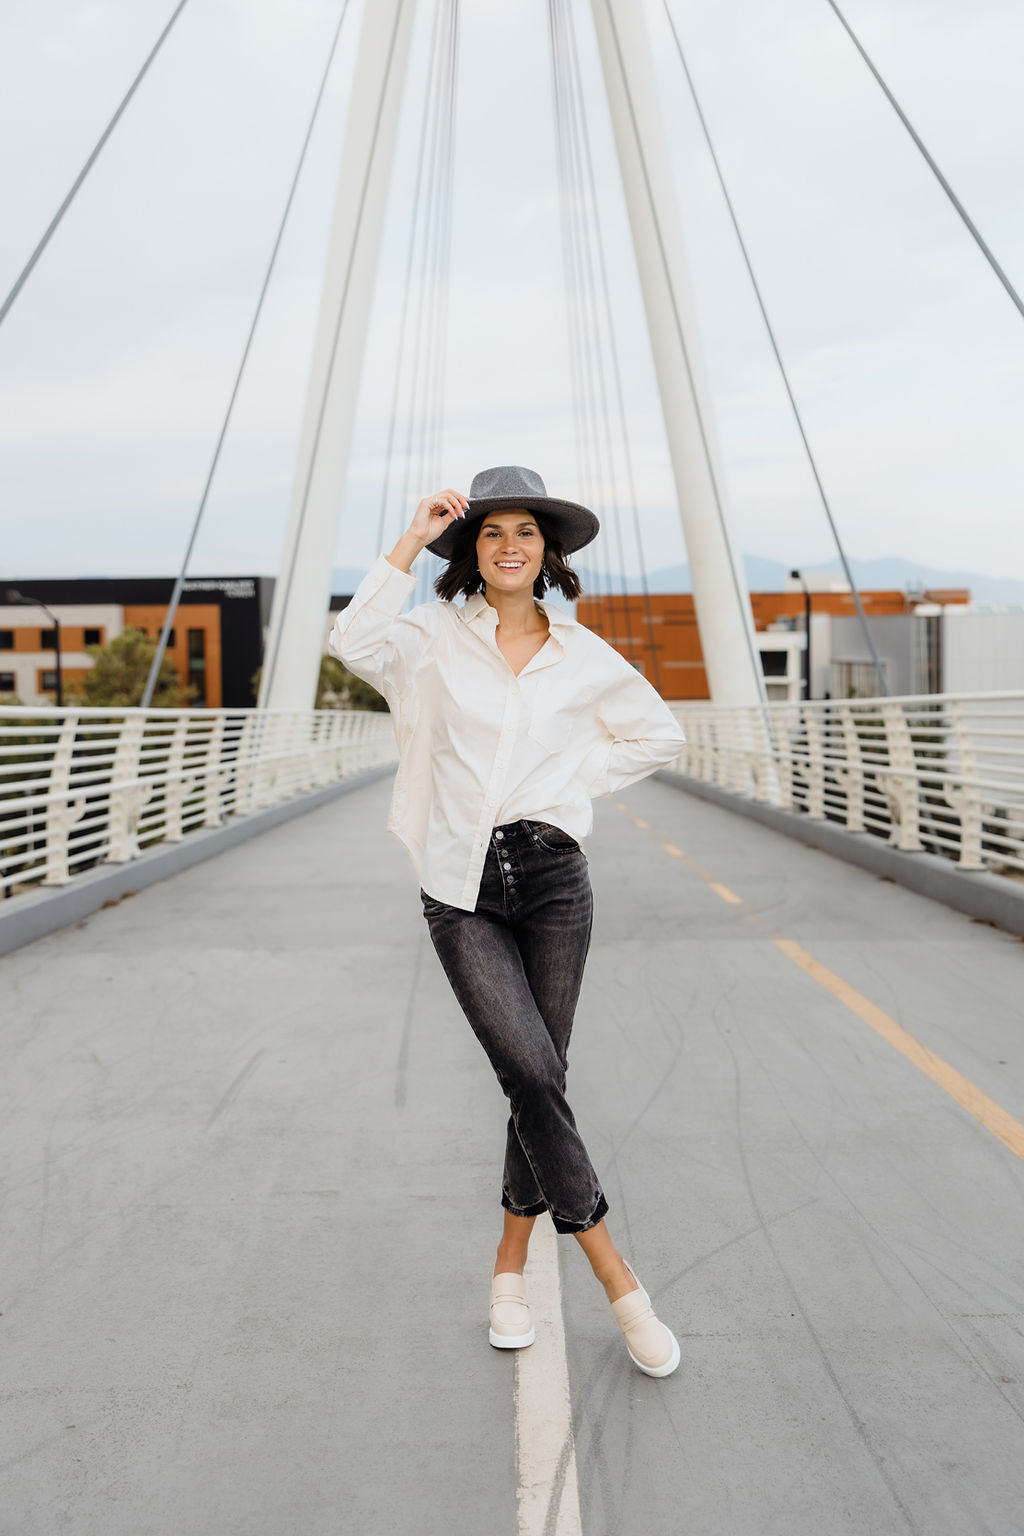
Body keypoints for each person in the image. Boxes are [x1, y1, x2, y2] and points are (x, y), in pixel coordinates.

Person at [330, 465, 687, 1377]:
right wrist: (411, 537)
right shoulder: (431, 637)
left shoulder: (585, 656)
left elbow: (659, 734)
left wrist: (571, 782)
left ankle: (508, 1271)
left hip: (556, 879)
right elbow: (351, 638)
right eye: (491, 532)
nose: (509, 545)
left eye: (525, 531)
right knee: (530, 1070)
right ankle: (619, 1280)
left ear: (548, 550)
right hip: (461, 886)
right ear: (471, 550)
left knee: (540, 1080)